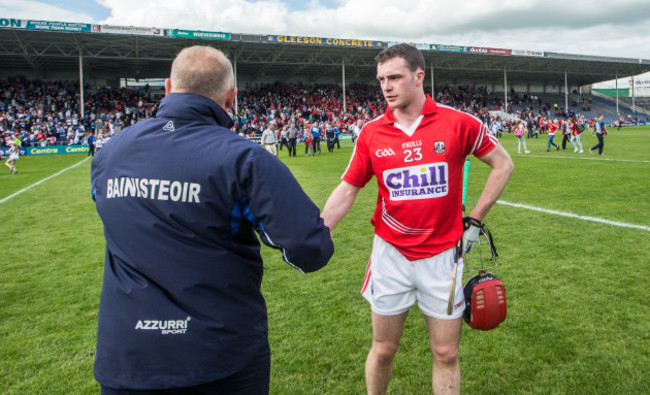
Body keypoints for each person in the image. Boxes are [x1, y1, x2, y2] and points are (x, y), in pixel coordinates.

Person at [90, 45, 334, 394]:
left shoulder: (111, 151)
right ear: (231, 97)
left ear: (168, 88)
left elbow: (107, 207)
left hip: (127, 353)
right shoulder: (244, 158)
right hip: (219, 354)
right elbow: (309, 248)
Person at [321, 44, 513, 395]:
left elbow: (504, 164)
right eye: (381, 79)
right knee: (383, 350)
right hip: (391, 255)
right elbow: (348, 189)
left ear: (419, 76)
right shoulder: (371, 132)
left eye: (394, 77)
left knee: (446, 353)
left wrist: (475, 219)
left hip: (444, 257)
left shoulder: (459, 123)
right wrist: (319, 231)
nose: (386, 86)